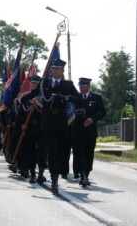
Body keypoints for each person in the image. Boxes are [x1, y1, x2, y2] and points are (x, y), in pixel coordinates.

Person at [39, 59, 79, 194]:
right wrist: (23, 98)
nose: (54, 71)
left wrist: (65, 98)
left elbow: (78, 98)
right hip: (48, 121)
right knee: (52, 151)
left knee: (61, 151)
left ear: (62, 71)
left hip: (61, 121)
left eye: (57, 69)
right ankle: (54, 179)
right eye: (53, 68)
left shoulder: (68, 84)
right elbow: (35, 94)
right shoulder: (45, 83)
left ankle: (58, 172)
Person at [71, 78, 106, 187]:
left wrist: (92, 119)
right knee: (79, 153)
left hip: (90, 131)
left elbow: (102, 112)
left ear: (88, 86)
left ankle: (86, 173)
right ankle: (82, 175)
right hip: (77, 131)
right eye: (80, 86)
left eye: (83, 86)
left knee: (89, 154)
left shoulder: (96, 98)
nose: (81, 88)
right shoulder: (75, 98)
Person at [17, 74, 47, 184]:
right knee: (30, 152)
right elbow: (20, 114)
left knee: (42, 151)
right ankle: (32, 174)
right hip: (29, 128)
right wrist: (22, 125)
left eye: (36, 83)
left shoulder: (44, 97)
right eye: (32, 83)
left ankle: (41, 173)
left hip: (42, 127)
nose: (34, 85)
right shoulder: (25, 97)